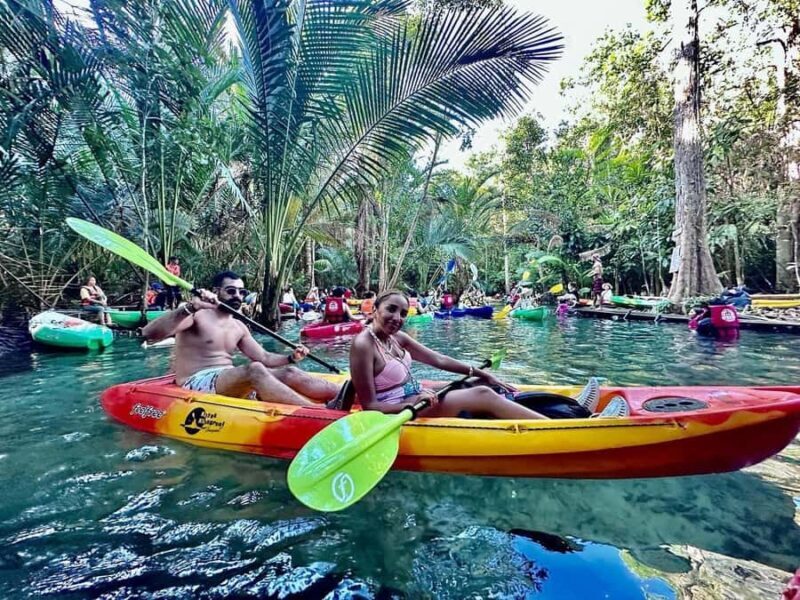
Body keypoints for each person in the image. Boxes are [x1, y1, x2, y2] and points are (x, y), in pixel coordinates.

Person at [142, 271, 339, 406]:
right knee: (254, 370)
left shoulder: (238, 326)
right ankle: (318, 413)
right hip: (196, 381)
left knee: (289, 372)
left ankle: (352, 395)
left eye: (241, 292)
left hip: (227, 378)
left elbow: (264, 357)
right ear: (216, 291)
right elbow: (149, 333)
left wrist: (291, 357)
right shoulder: (196, 316)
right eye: (231, 291)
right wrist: (191, 307)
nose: (237, 296)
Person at [349, 290, 548, 419]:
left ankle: (559, 409)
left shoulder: (397, 338)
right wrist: (412, 403)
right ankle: (550, 427)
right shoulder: (363, 344)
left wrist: (479, 372)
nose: (397, 318)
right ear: (375, 309)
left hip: (416, 394)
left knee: (483, 384)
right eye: (391, 310)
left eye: (403, 313)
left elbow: (438, 359)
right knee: (483, 394)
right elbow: (370, 406)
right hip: (401, 407)